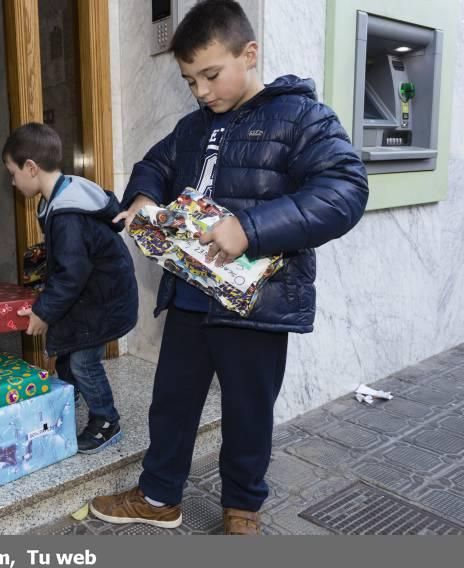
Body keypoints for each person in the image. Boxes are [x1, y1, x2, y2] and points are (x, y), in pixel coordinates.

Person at [89, 0, 368, 534]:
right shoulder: (193, 128)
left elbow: (345, 190)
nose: (201, 92)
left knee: (247, 411)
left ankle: (242, 508)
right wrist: (145, 195)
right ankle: (158, 496)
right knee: (171, 402)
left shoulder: (301, 116)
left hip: (256, 304)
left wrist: (252, 229)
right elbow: (154, 164)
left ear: (250, 53)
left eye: (211, 75)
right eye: (190, 80)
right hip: (192, 295)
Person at [3, 123, 138, 454]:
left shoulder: (65, 214)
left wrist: (44, 311)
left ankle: (106, 420)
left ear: (31, 168)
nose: (11, 180)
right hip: (96, 292)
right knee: (69, 351)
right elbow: (70, 262)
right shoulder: (59, 197)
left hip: (105, 299)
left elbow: (72, 274)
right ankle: (69, 396)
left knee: (83, 361)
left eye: (12, 172)